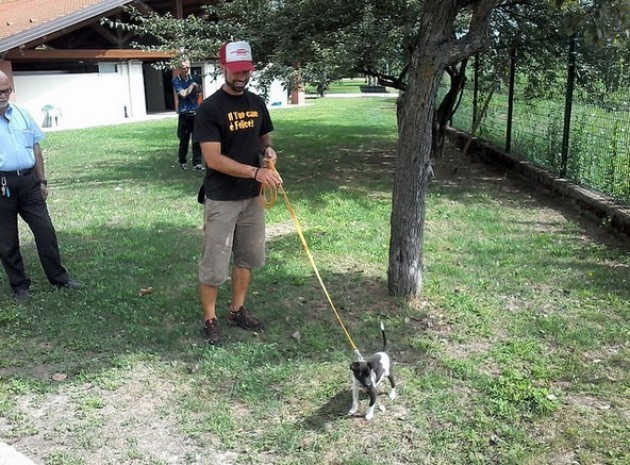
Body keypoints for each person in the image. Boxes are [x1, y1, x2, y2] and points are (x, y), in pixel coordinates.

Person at [193, 40, 283, 345]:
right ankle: (210, 318)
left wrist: (268, 152)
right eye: (235, 71)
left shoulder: (257, 103)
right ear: (223, 69)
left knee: (246, 258)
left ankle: (236, 310)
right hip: (222, 197)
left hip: (252, 197)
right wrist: (256, 171)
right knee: (215, 262)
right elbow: (213, 159)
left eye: (246, 70)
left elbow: (264, 137)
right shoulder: (210, 108)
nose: (241, 76)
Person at [0, 71, 83, 301]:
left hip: (29, 181)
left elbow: (35, 147)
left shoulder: (22, 113)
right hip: (2, 183)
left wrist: (42, 180)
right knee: (6, 239)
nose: (3, 95)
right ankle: (19, 286)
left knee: (45, 230)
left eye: (6, 90)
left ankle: (59, 278)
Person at [172, 60, 203, 170]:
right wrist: (192, 86)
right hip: (184, 114)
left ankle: (197, 164)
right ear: (179, 68)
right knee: (183, 140)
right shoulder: (176, 80)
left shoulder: (195, 78)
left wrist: (196, 87)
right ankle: (182, 161)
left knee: (197, 140)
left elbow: (199, 93)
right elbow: (183, 94)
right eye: (183, 68)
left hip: (195, 113)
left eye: (188, 68)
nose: (186, 70)